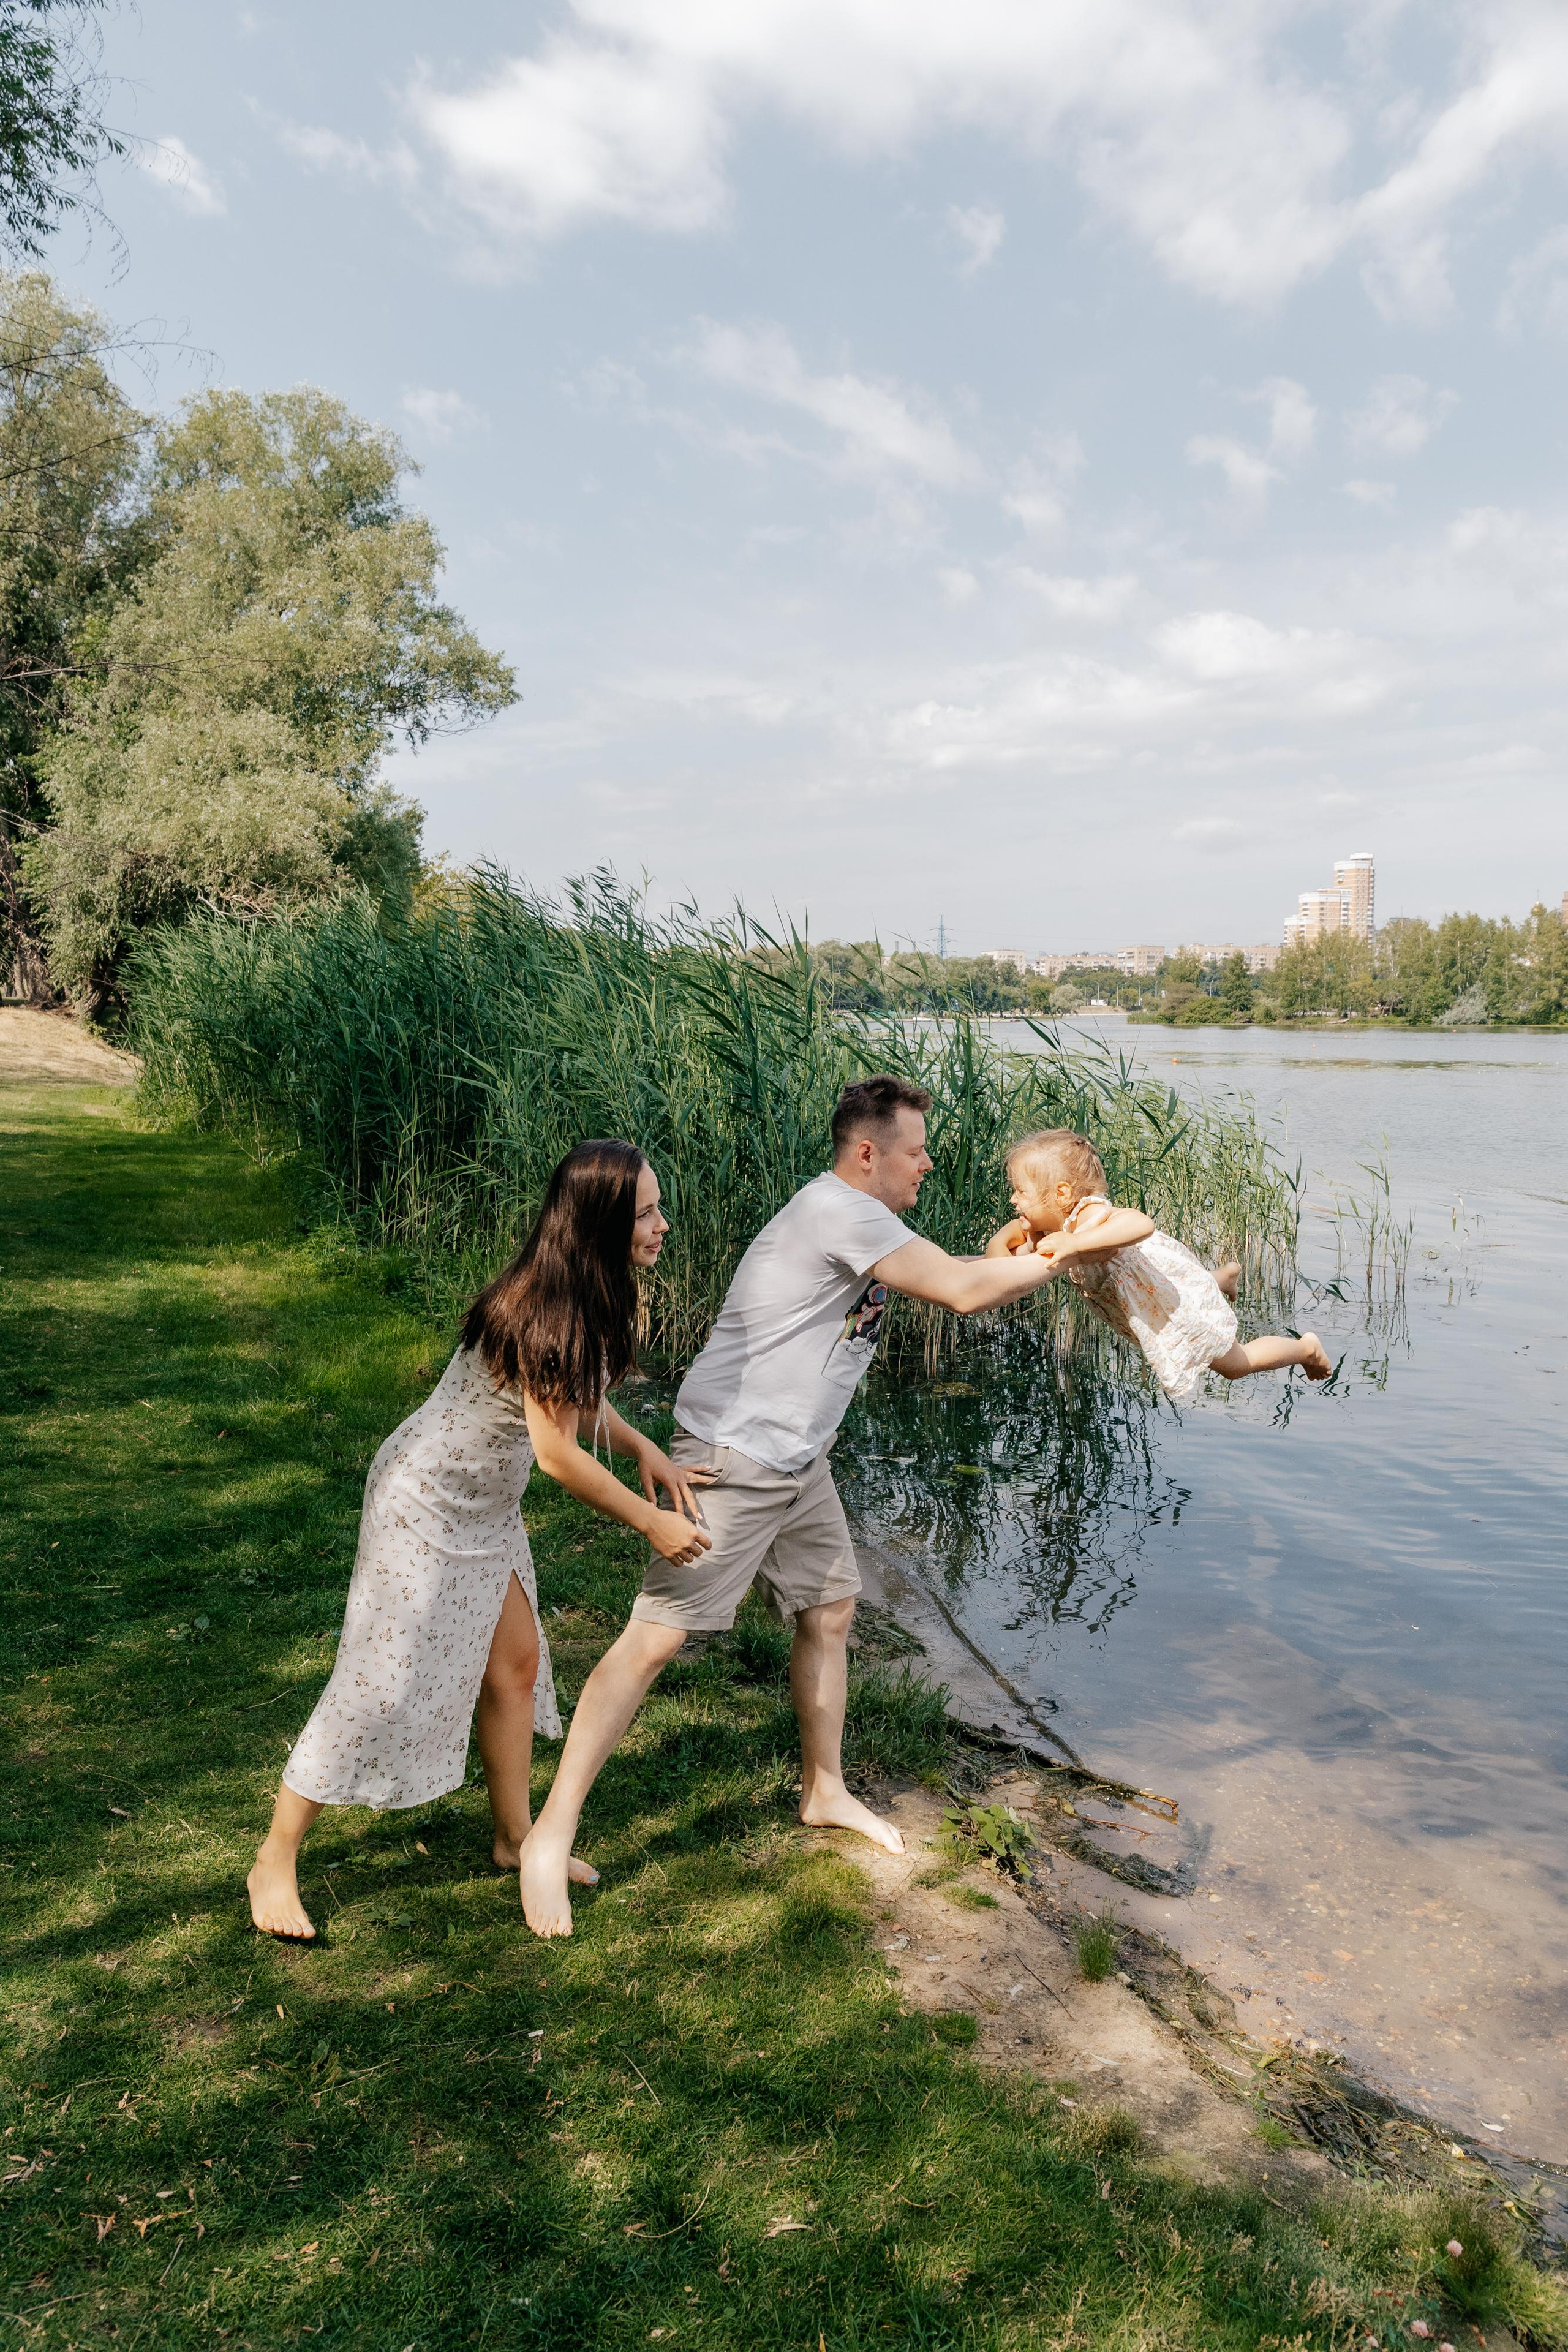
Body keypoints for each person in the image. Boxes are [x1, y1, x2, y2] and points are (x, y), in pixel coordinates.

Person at [518, 1073, 1079, 1939]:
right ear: (868, 1153)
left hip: (795, 1457)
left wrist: (1016, 1250)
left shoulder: (859, 1216)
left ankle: (824, 1790)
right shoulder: (840, 1214)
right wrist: (1064, 1252)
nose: (928, 1163)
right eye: (916, 1150)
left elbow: (956, 1269)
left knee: (831, 1610)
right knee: (654, 1641)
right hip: (739, 1455)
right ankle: (548, 1840)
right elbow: (964, 1293)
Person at [246, 1140, 715, 1942]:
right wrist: (650, 1523)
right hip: (424, 1506)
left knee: (517, 1663)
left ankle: (514, 1838)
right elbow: (558, 1454)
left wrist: (641, 1447)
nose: (663, 1225)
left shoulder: (584, 1291)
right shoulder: (552, 1310)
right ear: (601, 1225)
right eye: (645, 1213)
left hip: (482, 1509)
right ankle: (274, 1858)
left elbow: (577, 1403)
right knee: (378, 1683)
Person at [989, 1126, 1332, 1402]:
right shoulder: (1049, 1228)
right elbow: (1003, 1260)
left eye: (1021, 1191)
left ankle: (1306, 1348)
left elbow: (1141, 1224)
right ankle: (1220, 1278)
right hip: (1158, 1294)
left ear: (1062, 1195)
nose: (1013, 1199)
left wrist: (1076, 1243)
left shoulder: (1090, 1217)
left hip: (1163, 1298)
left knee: (1235, 1366)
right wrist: (1003, 1242)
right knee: (1187, 1292)